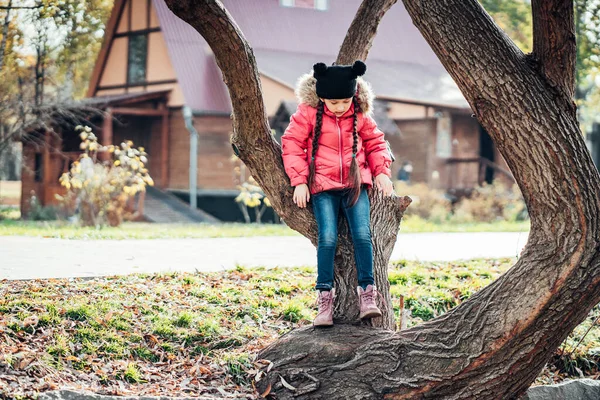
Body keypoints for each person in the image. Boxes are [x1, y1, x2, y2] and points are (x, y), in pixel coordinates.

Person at [281, 60, 394, 327]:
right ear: (322, 98)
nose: (340, 107)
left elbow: (376, 142)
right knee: (328, 238)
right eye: (334, 103)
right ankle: (324, 301)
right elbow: (292, 144)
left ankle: (368, 296)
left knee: (363, 236)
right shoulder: (308, 113)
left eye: (345, 101)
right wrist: (299, 181)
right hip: (322, 188)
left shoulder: (360, 114)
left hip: (355, 186)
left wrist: (381, 172)